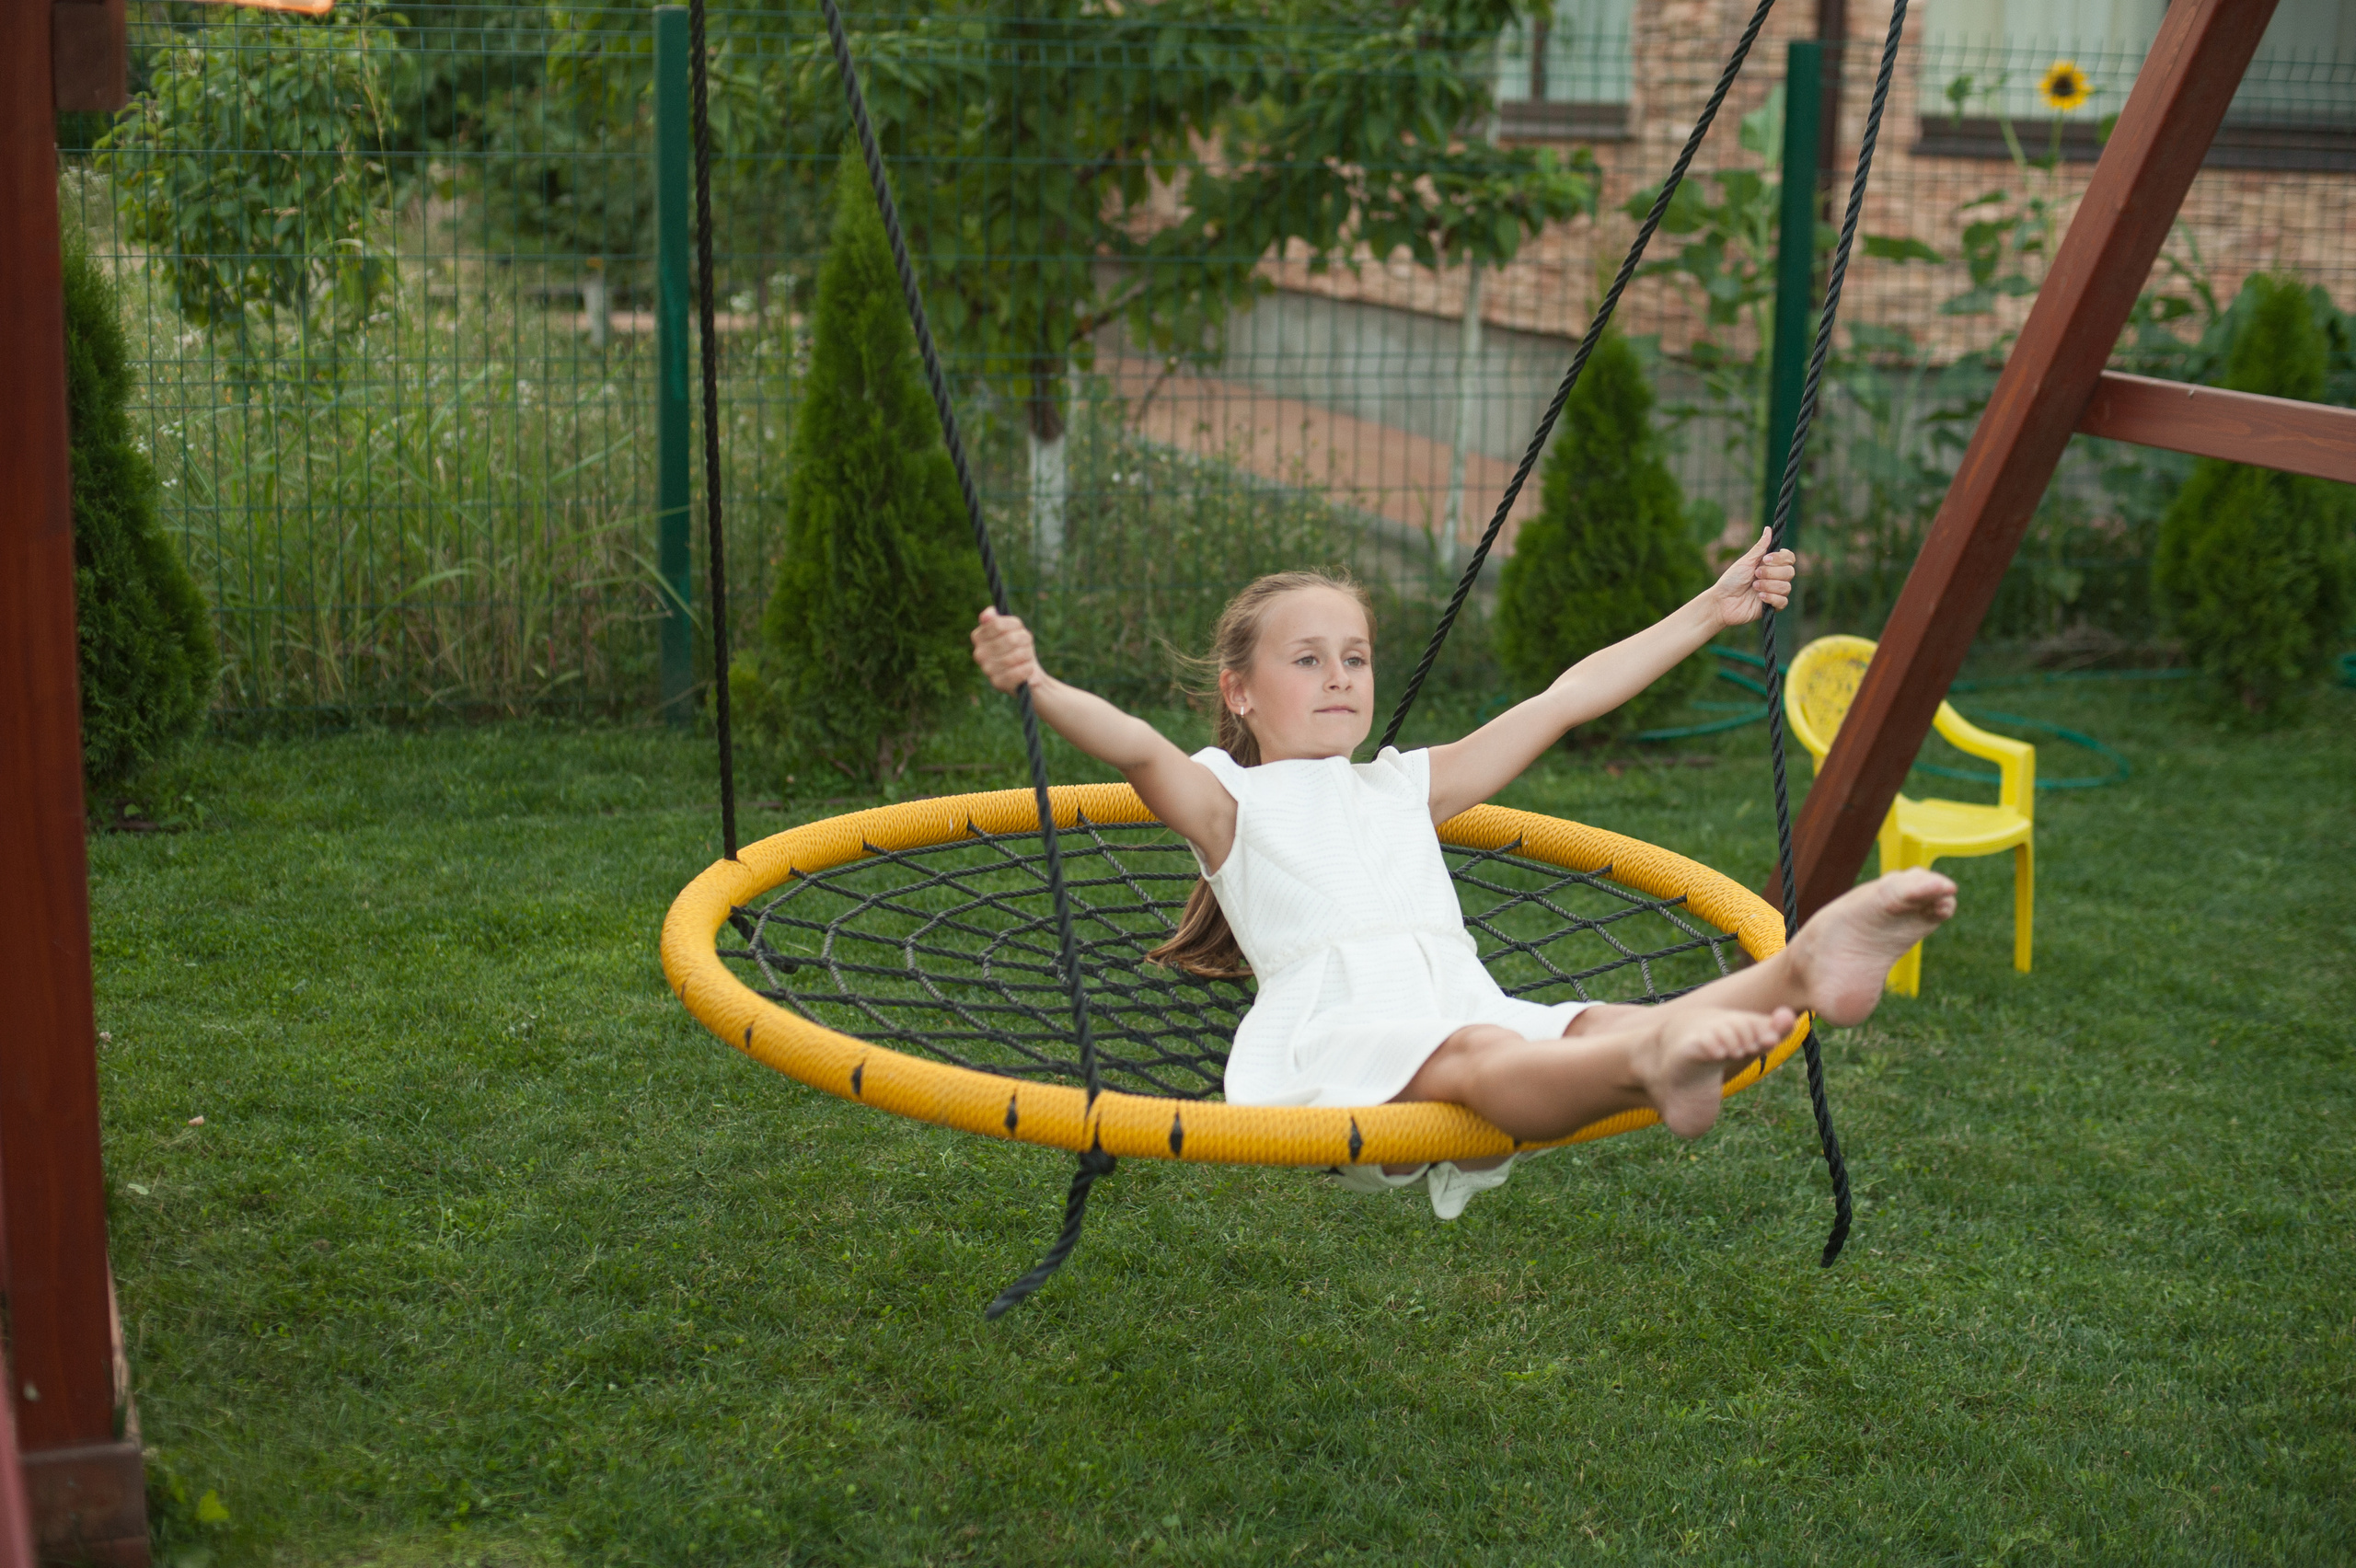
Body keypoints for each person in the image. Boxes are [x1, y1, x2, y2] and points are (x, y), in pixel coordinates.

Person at [969, 531, 1956, 1216]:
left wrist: (1709, 609)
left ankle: (1800, 969)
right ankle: (1669, 1058)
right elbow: (1138, 748)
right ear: (1240, 691)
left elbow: (1567, 698)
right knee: (1490, 1055)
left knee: (1592, 1024)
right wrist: (1039, 683)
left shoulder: (1402, 786)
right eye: (1306, 660)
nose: (1340, 677)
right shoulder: (1227, 800)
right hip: (1342, 1039)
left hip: (1459, 999)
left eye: (1353, 657)